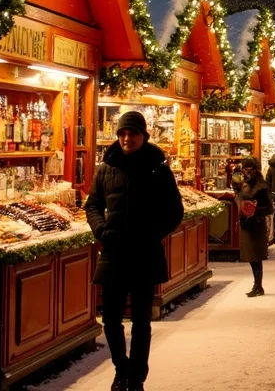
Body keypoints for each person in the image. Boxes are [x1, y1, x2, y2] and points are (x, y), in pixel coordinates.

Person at [86, 111, 184, 391]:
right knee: (111, 318)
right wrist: (102, 231)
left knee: (141, 320)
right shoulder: (106, 167)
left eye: (133, 133)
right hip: (114, 252)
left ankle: (137, 376)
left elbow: (174, 211)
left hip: (144, 253)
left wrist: (153, 234)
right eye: (122, 133)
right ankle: (121, 370)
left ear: (143, 136)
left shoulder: (157, 167)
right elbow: (92, 205)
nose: (127, 138)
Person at [237, 157, 272, 296]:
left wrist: (254, 210)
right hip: (246, 222)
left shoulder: (261, 185)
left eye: (248, 168)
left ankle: (258, 286)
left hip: (256, 223)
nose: (246, 171)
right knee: (251, 256)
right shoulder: (243, 182)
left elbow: (270, 208)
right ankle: (257, 285)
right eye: (244, 168)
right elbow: (240, 197)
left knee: (255, 255)